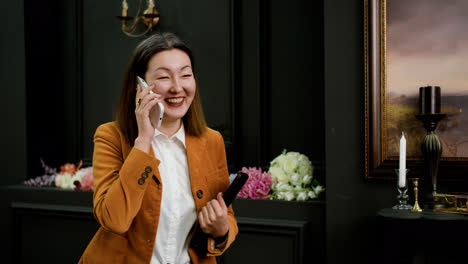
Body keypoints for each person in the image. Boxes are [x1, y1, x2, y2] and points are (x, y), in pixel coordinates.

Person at [79, 32, 238, 264]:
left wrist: (222, 229)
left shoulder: (211, 141)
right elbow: (114, 220)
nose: (177, 88)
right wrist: (144, 139)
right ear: (140, 85)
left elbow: (226, 216)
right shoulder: (111, 136)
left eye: (186, 75)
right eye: (164, 77)